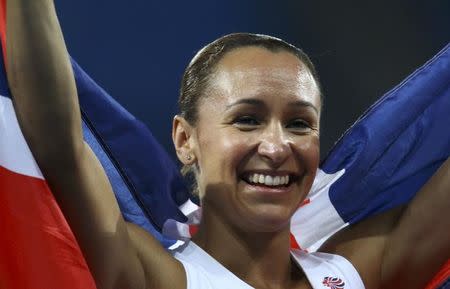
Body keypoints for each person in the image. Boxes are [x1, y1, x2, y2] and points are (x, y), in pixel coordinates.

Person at [7, 1, 449, 289]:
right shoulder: (159, 278)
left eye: (299, 123)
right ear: (186, 140)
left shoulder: (354, 274)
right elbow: (60, 146)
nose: (276, 147)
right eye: (247, 120)